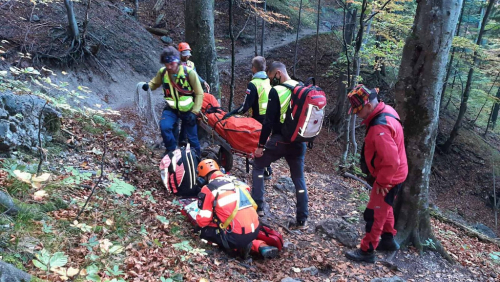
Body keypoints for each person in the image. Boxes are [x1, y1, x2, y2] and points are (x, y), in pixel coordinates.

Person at [344, 84, 408, 263]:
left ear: (369, 106)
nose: (357, 115)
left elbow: (391, 161)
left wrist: (382, 182)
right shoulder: (387, 110)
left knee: (374, 212)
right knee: (385, 207)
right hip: (393, 174)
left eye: (358, 111)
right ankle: (388, 240)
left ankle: (367, 250)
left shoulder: (380, 128)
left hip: (389, 177)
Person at [251, 61, 308, 229]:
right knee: (298, 178)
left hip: (280, 140)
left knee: (258, 165)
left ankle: (258, 206)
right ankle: (302, 218)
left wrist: (261, 146)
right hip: (299, 142)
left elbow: (268, 121)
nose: (270, 81)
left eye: (270, 77)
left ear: (277, 74)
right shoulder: (301, 88)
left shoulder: (276, 91)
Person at [196, 159, 279, 259]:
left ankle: (236, 248)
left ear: (203, 177)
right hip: (254, 229)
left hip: (235, 236)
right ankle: (260, 245)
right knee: (238, 230)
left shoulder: (209, 189)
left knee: (204, 231)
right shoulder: (237, 182)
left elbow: (203, 221)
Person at [142, 46, 202, 157]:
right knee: (165, 127)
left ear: (177, 61)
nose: (169, 67)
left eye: (171, 64)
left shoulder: (189, 73)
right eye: (166, 64)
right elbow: (155, 83)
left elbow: (199, 93)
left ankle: (197, 161)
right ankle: (171, 150)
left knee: (193, 138)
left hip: (188, 110)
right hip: (171, 109)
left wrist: (195, 112)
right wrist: (148, 86)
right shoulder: (163, 72)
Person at [223, 56, 273, 179]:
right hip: (268, 116)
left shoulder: (253, 84)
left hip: (258, 117)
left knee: (258, 143)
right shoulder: (267, 81)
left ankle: (265, 170)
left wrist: (231, 114)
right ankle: (265, 168)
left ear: (254, 68)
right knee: (263, 143)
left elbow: (245, 106)